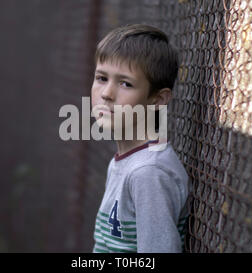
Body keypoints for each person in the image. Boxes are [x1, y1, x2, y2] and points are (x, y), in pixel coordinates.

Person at [91, 24, 190, 253]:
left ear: (157, 99)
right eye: (102, 78)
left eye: (126, 83)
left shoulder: (149, 173)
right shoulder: (124, 162)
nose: (107, 93)